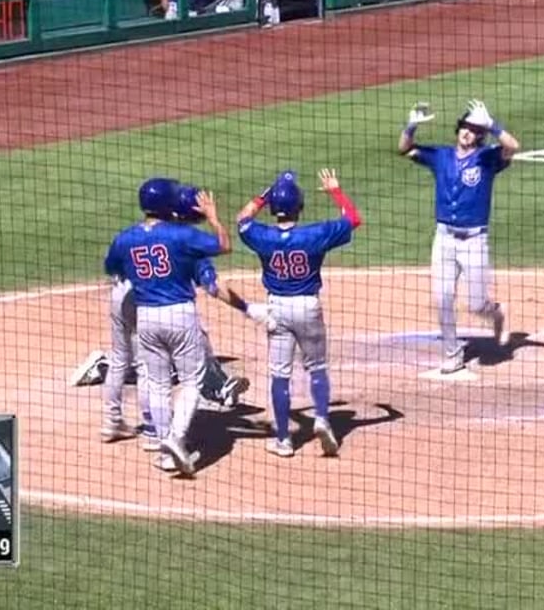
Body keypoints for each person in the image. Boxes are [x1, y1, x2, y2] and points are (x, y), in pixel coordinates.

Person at [103, 178, 232, 477]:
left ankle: (164, 451)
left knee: (158, 383)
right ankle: (175, 438)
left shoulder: (125, 238)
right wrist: (212, 217)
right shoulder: (181, 234)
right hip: (179, 314)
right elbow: (224, 245)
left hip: (146, 316)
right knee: (191, 381)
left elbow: (113, 268)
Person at [235, 168, 362, 457]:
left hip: (276, 309)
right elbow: (353, 219)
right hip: (307, 307)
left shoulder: (261, 235)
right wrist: (335, 190)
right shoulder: (315, 234)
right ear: (300, 206)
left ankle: (283, 440)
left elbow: (242, 218)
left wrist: (268, 193)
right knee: (316, 367)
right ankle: (321, 418)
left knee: (280, 375)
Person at [398, 99, 520, 374]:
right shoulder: (440, 156)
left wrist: (493, 125)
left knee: (477, 304)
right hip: (443, 239)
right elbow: (403, 149)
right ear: (458, 130)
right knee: (442, 299)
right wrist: (411, 126)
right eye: (465, 127)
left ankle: (496, 312)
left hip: (474, 240)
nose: (468, 132)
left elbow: (513, 147)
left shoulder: (487, 159)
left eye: (475, 129)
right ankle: (452, 354)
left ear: (480, 135)